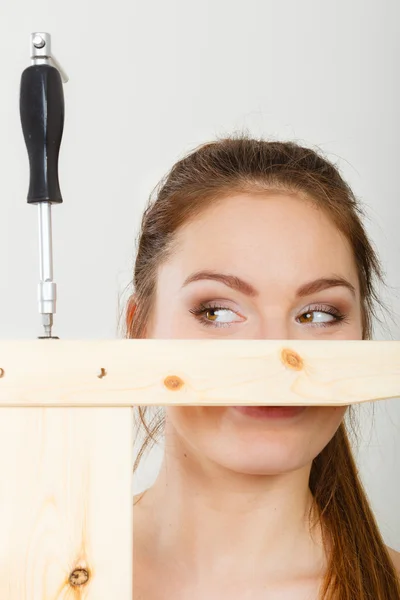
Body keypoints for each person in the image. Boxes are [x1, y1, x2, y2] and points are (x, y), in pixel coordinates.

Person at [124, 135, 400, 599]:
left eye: (317, 314)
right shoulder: (35, 575)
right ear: (139, 330)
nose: (276, 357)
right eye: (217, 311)